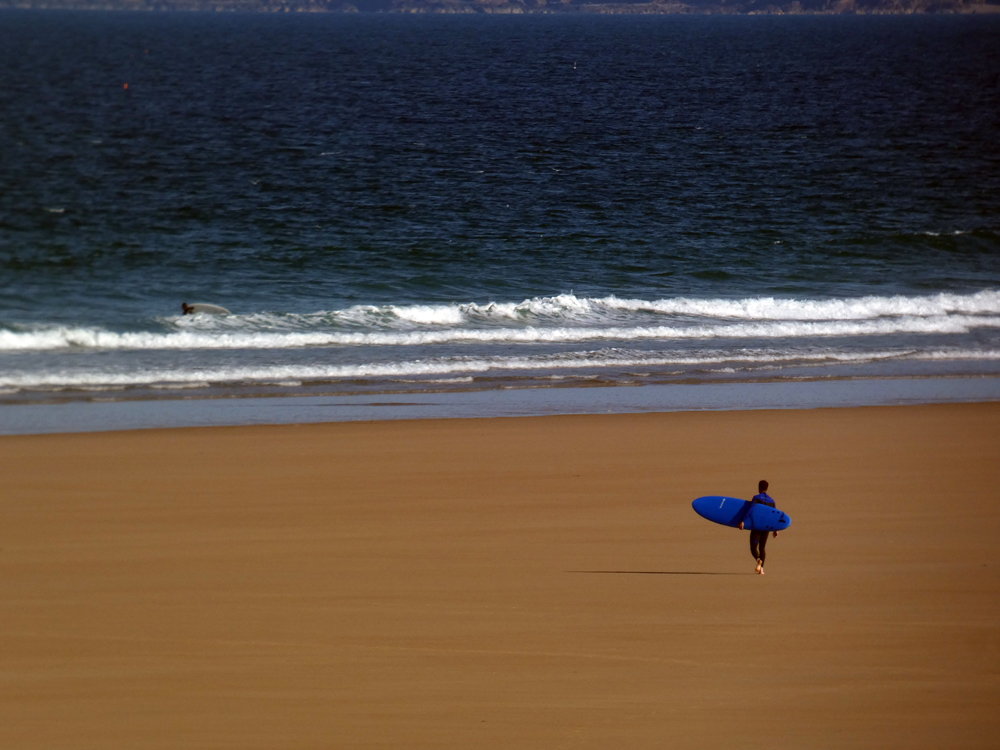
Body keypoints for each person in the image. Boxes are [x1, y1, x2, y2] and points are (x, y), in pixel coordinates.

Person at [738, 480, 778, 575]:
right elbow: (775, 515)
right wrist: (775, 529)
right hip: (766, 527)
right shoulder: (772, 501)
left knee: (753, 548)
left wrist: (743, 521)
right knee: (762, 548)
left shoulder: (756, 498)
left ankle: (758, 560)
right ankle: (761, 569)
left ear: (759, 487)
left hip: (757, 526)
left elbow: (750, 510)